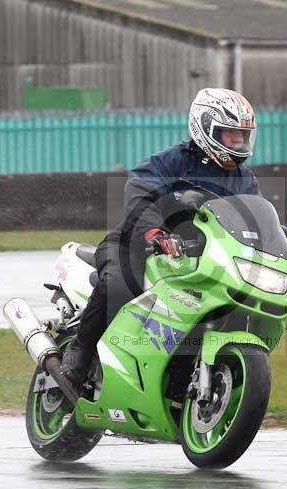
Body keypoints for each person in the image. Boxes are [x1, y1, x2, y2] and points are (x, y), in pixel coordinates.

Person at [46, 88, 269, 403]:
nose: (237, 142)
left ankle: (177, 384)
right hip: (138, 244)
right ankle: (79, 354)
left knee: (222, 305)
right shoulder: (171, 162)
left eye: (241, 136)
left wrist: (274, 236)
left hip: (198, 258)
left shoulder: (245, 181)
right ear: (205, 128)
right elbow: (139, 194)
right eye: (229, 134)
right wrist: (154, 232)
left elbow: (254, 217)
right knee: (120, 284)